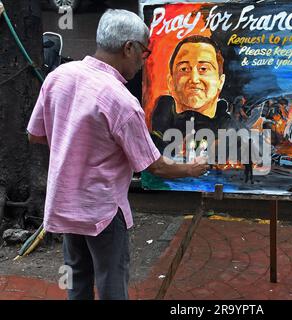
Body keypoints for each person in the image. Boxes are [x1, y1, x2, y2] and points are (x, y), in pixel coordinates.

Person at [26, 9, 208, 300]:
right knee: (112, 286)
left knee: (77, 282)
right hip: (103, 212)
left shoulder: (58, 77)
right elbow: (155, 166)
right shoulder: (121, 101)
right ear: (129, 48)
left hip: (64, 204)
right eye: (144, 52)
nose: (142, 60)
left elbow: (35, 134)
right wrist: (192, 168)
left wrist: (72, 141)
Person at [151, 35, 241, 153]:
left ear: (220, 81)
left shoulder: (235, 136)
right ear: (171, 82)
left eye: (203, 69)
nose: (194, 79)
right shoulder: (156, 136)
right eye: (184, 69)